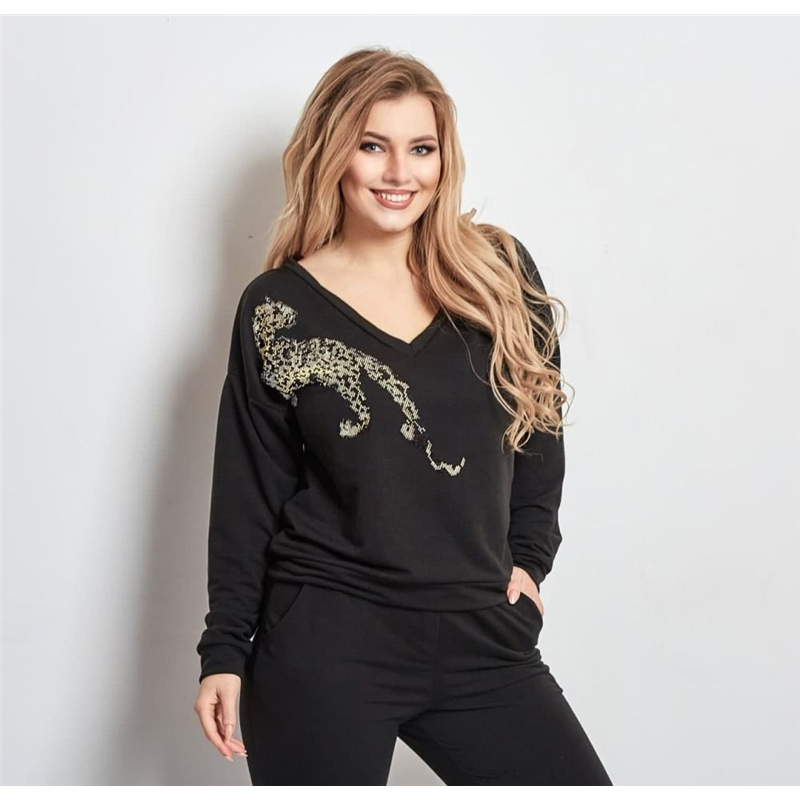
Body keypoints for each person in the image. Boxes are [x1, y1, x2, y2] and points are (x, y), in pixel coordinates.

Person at [192, 45, 613, 787]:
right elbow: (248, 491)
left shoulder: (497, 274)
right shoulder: (279, 307)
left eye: (421, 148)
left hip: (482, 638)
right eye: (372, 146)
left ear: (444, 160)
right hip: (326, 642)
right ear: (332, 153)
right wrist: (224, 649)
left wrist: (528, 557)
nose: (399, 173)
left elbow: (538, 428)